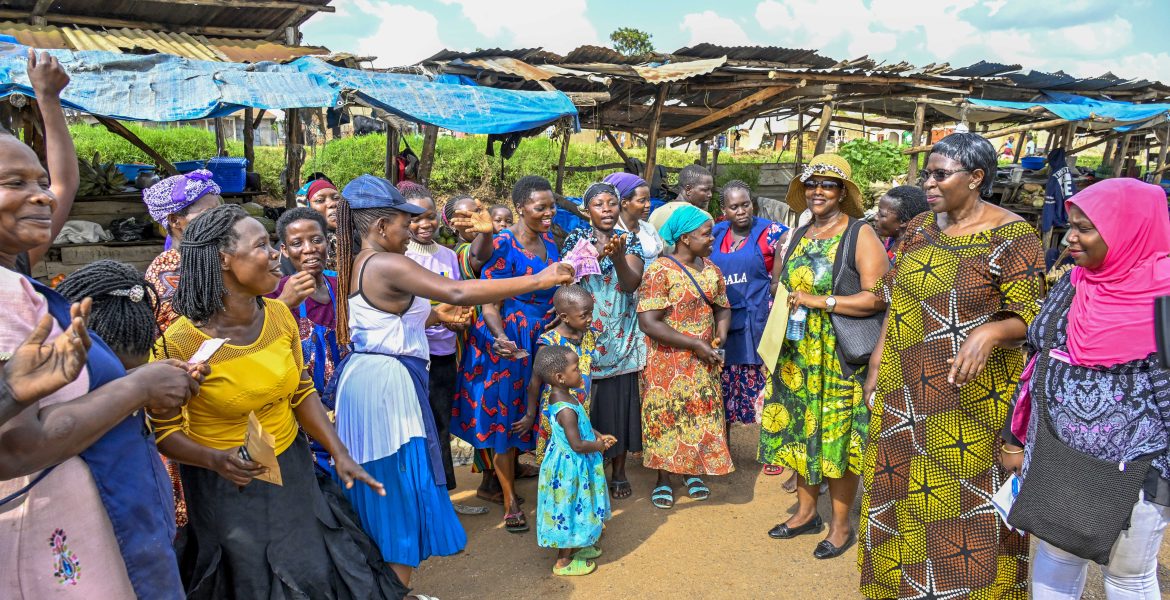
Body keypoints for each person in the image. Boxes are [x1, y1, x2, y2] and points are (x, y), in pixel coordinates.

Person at [151, 204, 405, 600]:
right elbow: (164, 433)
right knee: (251, 580)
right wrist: (216, 460)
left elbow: (300, 390)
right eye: (262, 245)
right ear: (224, 260)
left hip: (291, 464)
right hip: (227, 483)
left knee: (312, 565)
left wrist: (339, 451)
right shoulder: (180, 344)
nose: (275, 254)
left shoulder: (278, 317)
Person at [330, 175, 573, 589]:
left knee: (383, 487)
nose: (411, 232)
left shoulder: (360, 263)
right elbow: (459, 290)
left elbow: (381, 321)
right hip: (386, 386)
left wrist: (432, 316)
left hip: (370, 376)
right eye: (404, 224)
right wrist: (540, 280)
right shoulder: (386, 262)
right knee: (397, 488)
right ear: (379, 226)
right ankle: (394, 587)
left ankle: (383, 584)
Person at [858, 133, 1045, 599]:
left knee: (963, 503)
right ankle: (905, 589)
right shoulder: (922, 226)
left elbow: (1032, 316)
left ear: (976, 177)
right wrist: (878, 364)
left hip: (968, 402)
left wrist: (990, 332)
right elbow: (897, 300)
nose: (929, 183)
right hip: (905, 394)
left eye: (940, 174)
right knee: (899, 492)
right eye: (927, 174)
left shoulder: (1013, 235)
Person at [1001, 179, 1170, 599]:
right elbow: (1039, 358)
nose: (1071, 237)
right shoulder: (1076, 280)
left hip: (1135, 470)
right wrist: (1016, 434)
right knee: (1057, 557)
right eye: (1071, 225)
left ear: (1129, 230)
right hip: (1058, 454)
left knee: (1126, 574)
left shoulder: (1163, 296)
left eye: (1086, 228)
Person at [758, 154, 887, 560]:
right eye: (812, 184)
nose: (818, 191)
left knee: (836, 440)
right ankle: (805, 513)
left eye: (828, 185)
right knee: (798, 434)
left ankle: (841, 525)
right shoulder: (798, 234)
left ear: (842, 193)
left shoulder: (859, 234)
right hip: (795, 357)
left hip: (837, 358)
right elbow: (783, 288)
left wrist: (822, 301)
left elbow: (878, 296)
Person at [453, 175, 563, 533]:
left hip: (540, 339)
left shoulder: (551, 244)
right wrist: (501, 337)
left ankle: (522, 482)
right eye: (540, 207)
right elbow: (488, 300)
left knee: (533, 413)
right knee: (505, 418)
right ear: (520, 207)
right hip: (507, 341)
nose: (549, 212)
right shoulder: (502, 242)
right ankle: (509, 500)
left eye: (551, 206)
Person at [638, 203, 734, 509]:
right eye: (706, 233)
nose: (712, 239)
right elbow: (649, 322)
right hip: (667, 360)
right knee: (666, 416)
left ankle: (692, 470)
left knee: (697, 413)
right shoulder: (659, 271)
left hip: (703, 358)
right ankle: (664, 478)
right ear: (684, 238)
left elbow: (722, 307)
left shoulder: (711, 269)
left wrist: (719, 337)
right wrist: (694, 343)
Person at [400, 183, 487, 516]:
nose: (424, 224)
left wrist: (460, 320)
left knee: (441, 425)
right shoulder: (399, 258)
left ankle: (444, 501)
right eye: (416, 218)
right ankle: (420, 501)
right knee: (416, 428)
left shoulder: (449, 255)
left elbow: (457, 298)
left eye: (430, 216)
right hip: (413, 356)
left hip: (444, 354)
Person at [562, 182, 645, 499]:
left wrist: (620, 255)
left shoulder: (630, 240)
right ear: (587, 211)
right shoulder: (575, 240)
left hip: (620, 335)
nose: (607, 209)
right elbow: (567, 277)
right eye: (599, 204)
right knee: (588, 404)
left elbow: (630, 282)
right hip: (586, 334)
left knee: (620, 405)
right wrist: (596, 253)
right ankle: (590, 468)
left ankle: (619, 471)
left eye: (612, 203)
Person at [263, 207, 346, 477]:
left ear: (328, 242)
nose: (309, 249)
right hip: (303, 416)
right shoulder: (274, 293)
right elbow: (257, 346)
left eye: (316, 240)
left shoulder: (341, 286)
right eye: (298, 243)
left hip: (348, 408)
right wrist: (284, 303)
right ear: (285, 251)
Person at [709, 180, 788, 430]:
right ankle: (726, 450)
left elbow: (780, 276)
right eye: (734, 207)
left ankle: (770, 455)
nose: (741, 211)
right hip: (725, 319)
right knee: (723, 387)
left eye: (746, 204)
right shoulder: (716, 233)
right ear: (724, 209)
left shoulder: (773, 232)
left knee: (767, 391)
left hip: (758, 319)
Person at [533, 344, 615, 577]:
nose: (580, 372)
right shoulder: (565, 409)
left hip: (573, 463)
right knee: (568, 509)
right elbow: (577, 444)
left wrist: (597, 434)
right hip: (570, 467)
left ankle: (580, 542)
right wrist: (598, 446)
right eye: (576, 369)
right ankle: (563, 561)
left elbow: (582, 428)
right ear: (560, 377)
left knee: (580, 505)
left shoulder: (565, 396)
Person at [12, 50, 78, 277]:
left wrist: (48, 98)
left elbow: (64, 184)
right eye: (16, 183)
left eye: (41, 183)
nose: (44, 196)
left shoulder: (14, 262)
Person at [524, 285, 598, 466]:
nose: (589, 319)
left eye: (591, 313)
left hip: (582, 409)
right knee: (559, 458)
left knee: (579, 456)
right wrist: (529, 414)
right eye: (583, 315)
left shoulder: (589, 336)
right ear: (564, 317)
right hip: (557, 413)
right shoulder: (549, 342)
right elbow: (534, 383)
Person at [142, 170, 224, 332]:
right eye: (208, 214)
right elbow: (186, 332)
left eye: (219, 211)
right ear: (175, 221)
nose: (220, 219)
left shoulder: (210, 254)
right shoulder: (167, 270)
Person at [605, 171, 664, 264]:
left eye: (649, 200)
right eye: (642, 200)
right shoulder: (612, 234)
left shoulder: (649, 229)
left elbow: (661, 260)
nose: (648, 205)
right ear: (624, 203)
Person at [873, 185, 929, 262]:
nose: (875, 217)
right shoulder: (891, 241)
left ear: (903, 221)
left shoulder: (912, 256)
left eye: (882, 215)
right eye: (878, 212)